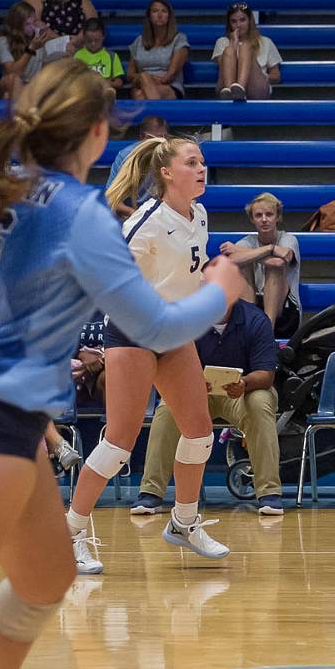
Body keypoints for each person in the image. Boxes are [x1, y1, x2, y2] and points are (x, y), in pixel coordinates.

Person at [0, 58, 238, 669]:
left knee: (45, 575)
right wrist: (223, 288)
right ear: (97, 134)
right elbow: (153, 328)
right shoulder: (79, 212)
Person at [66, 135, 234, 575]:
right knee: (119, 443)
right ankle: (72, 531)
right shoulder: (146, 222)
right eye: (191, 162)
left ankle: (183, 522)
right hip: (134, 331)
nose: (201, 169)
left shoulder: (198, 214)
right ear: (166, 173)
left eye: (203, 162)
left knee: (199, 433)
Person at [132, 298, 284, 517]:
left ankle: (270, 493)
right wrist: (190, 382)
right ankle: (150, 493)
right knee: (167, 408)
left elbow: (266, 375)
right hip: (196, 392)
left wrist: (244, 384)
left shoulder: (255, 319)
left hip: (242, 392)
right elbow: (166, 366)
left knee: (260, 403)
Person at [221, 192, 302, 337]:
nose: (264, 220)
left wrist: (247, 251)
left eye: (269, 214)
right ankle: (250, 326)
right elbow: (231, 260)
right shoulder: (247, 242)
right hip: (254, 303)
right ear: (252, 219)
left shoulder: (288, 239)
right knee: (243, 264)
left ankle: (266, 333)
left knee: (274, 267)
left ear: (278, 217)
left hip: (285, 312)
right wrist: (269, 249)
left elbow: (279, 261)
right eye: (258, 215)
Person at [212, 2, 281, 100]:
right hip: (226, 85)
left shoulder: (266, 41)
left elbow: (276, 76)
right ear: (229, 24)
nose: (238, 25)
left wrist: (263, 76)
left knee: (245, 47)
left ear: (250, 21)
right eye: (234, 21)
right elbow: (222, 67)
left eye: (242, 20)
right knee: (229, 50)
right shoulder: (222, 42)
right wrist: (233, 44)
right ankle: (232, 93)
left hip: (256, 86)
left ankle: (240, 89)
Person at [0, 0, 61, 99]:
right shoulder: (4, 41)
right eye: (27, 24)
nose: (32, 27)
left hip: (36, 84)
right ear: (17, 25)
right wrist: (31, 49)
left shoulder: (40, 37)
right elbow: (13, 72)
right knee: (13, 80)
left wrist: (49, 33)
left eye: (34, 22)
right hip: (14, 84)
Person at [127, 0, 190, 100]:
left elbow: (171, 74)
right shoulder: (139, 41)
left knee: (141, 95)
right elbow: (130, 75)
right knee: (142, 81)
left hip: (169, 86)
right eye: (155, 11)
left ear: (169, 16)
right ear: (149, 16)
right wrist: (145, 79)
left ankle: (152, 115)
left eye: (164, 11)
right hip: (140, 85)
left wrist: (150, 80)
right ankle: (155, 116)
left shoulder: (179, 39)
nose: (159, 15)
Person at [106, 115, 169, 218]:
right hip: (131, 215)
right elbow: (112, 199)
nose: (160, 144)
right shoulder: (126, 156)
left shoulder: (170, 155)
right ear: (142, 137)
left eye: (164, 138)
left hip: (162, 215)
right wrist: (133, 213)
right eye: (155, 139)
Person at [72, 18, 123, 91]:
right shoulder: (77, 56)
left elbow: (119, 82)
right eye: (89, 40)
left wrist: (108, 83)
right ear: (84, 37)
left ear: (103, 37)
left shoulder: (112, 56)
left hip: (104, 92)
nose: (93, 44)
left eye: (97, 40)